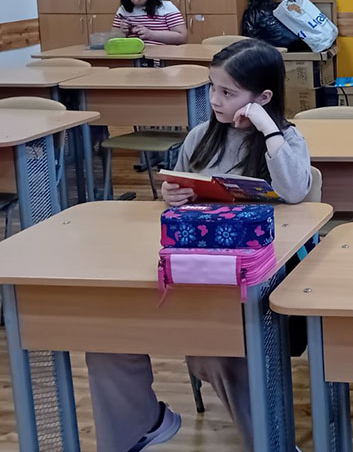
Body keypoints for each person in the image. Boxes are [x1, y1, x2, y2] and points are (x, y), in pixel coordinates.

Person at [85, 39, 312, 452]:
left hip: (249, 279)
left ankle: (271, 442)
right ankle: (142, 425)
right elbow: (181, 192)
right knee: (106, 333)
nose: (215, 100)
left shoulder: (285, 140)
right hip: (193, 269)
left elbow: (297, 190)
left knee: (226, 351)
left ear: (263, 98)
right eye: (212, 87)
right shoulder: (200, 138)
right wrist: (172, 195)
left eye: (227, 92)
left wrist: (268, 129)